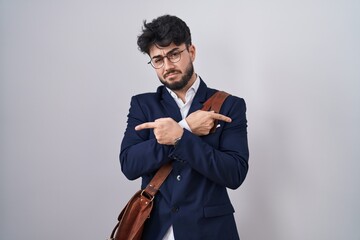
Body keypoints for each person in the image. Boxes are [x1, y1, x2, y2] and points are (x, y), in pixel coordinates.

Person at [119, 14, 249, 240]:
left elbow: (234, 173)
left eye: (174, 54)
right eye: (158, 59)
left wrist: (180, 136)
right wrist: (186, 128)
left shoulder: (229, 105)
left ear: (192, 51)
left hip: (211, 232)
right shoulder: (142, 104)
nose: (167, 66)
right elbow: (129, 164)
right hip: (155, 230)